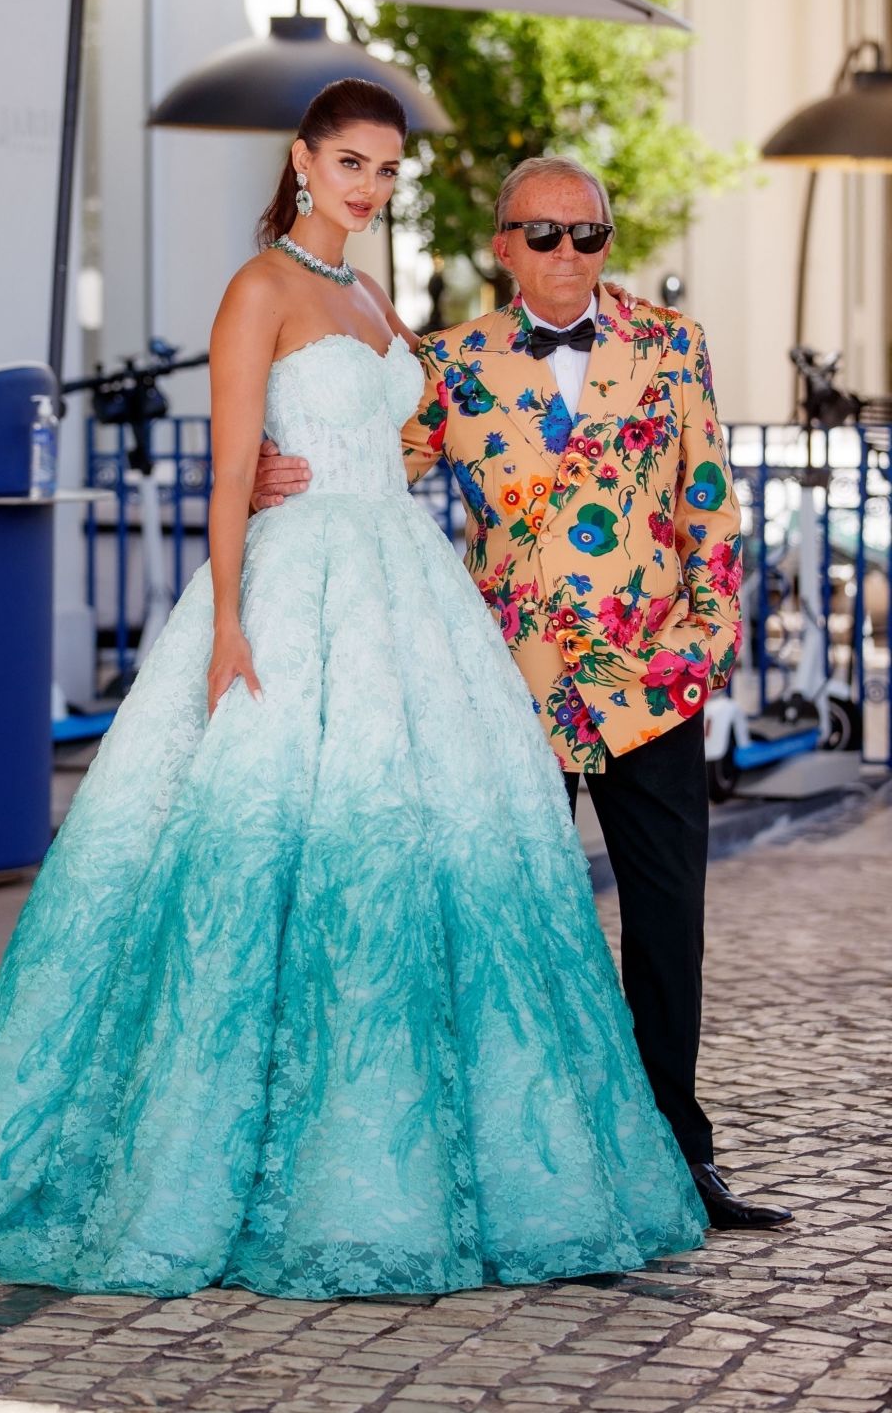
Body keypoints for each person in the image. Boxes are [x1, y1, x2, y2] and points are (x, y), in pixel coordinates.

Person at [0, 82, 706, 1299]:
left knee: (426, 873)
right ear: (302, 158)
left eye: (387, 171)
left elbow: (409, 439)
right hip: (296, 598)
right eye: (351, 162)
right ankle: (261, 1160)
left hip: (412, 602)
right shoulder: (260, 289)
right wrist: (231, 622)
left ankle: (481, 1152)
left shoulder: (373, 299)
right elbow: (232, 474)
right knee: (268, 872)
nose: (370, 186)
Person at [254, 154, 791, 1235]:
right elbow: (364, 467)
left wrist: (702, 648)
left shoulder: (672, 347)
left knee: (667, 929)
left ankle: (680, 1156)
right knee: (513, 929)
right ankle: (527, 1168)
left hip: (651, 688)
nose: (566, 254)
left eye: (585, 233)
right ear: (503, 248)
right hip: (505, 696)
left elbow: (710, 509)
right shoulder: (449, 363)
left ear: (607, 241)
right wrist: (274, 467)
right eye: (541, 235)